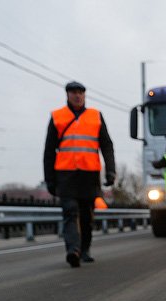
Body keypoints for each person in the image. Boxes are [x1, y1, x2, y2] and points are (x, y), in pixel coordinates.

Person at [44, 81, 115, 267]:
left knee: (86, 215)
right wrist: (49, 179)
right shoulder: (57, 117)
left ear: (84, 95)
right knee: (69, 212)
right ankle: (73, 250)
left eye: (80, 93)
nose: (77, 96)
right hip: (65, 175)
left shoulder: (96, 116)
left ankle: (85, 249)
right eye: (74, 93)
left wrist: (111, 170)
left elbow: (107, 145)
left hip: (89, 175)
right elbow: (49, 151)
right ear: (67, 95)